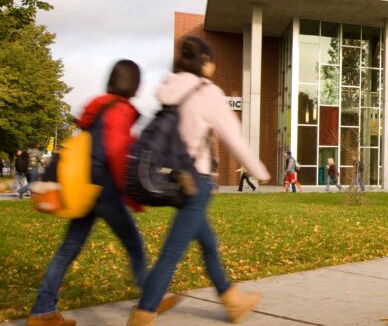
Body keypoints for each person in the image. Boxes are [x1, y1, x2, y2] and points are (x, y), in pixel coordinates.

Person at [127, 36, 270, 325]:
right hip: (196, 182)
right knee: (172, 253)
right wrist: (260, 172)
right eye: (212, 60)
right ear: (204, 61)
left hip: (176, 179)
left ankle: (233, 302)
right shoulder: (207, 92)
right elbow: (234, 138)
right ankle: (144, 312)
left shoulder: (170, 89)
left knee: (208, 243)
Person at [28, 60, 180, 326]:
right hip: (104, 191)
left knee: (67, 250)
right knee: (133, 244)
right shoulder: (119, 111)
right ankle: (150, 299)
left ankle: (43, 311)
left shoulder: (98, 108)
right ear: (134, 84)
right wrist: (133, 197)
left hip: (85, 188)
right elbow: (117, 155)